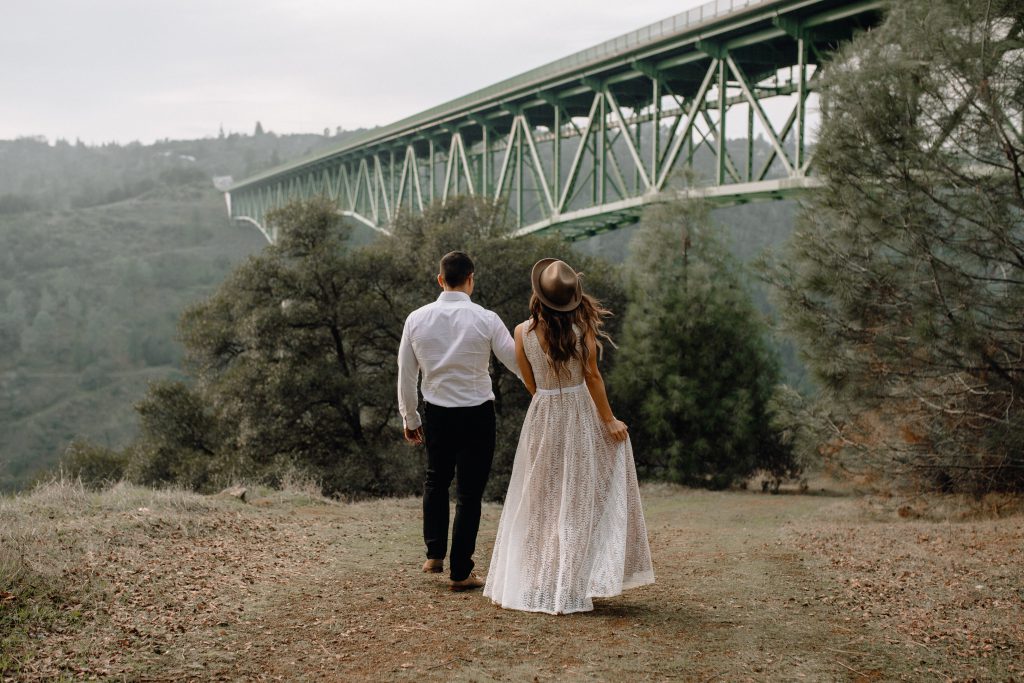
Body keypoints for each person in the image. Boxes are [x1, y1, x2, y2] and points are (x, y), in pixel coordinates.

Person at [483, 258, 654, 614]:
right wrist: (609, 421)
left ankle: (537, 580)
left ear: (538, 296)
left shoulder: (521, 332)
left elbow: (529, 381)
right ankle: (570, 582)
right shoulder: (581, 331)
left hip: (543, 414)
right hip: (578, 412)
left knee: (541, 498)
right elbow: (592, 377)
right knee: (577, 497)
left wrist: (547, 400)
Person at [397, 251, 521, 591]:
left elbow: (406, 375)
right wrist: (546, 389)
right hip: (477, 412)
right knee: (469, 494)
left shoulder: (416, 319)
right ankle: (461, 572)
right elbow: (515, 362)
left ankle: (434, 554)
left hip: (436, 412)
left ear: (440, 280)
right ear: (471, 279)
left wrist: (410, 417)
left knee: (436, 480)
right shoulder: (487, 319)